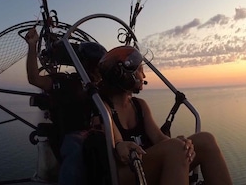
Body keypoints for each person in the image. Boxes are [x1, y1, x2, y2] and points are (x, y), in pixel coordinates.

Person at [98, 45, 233, 185]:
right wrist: (173, 147)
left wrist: (182, 144)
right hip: (125, 173)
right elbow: (119, 146)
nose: (143, 76)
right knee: (175, 149)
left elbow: (159, 138)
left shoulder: (139, 106)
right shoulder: (104, 108)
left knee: (205, 140)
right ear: (124, 74)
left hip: (146, 165)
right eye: (140, 70)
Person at [25, 27, 107, 185]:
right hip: (73, 135)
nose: (98, 72)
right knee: (75, 148)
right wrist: (32, 46)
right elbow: (35, 78)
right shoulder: (65, 83)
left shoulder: (102, 88)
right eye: (95, 67)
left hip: (98, 135)